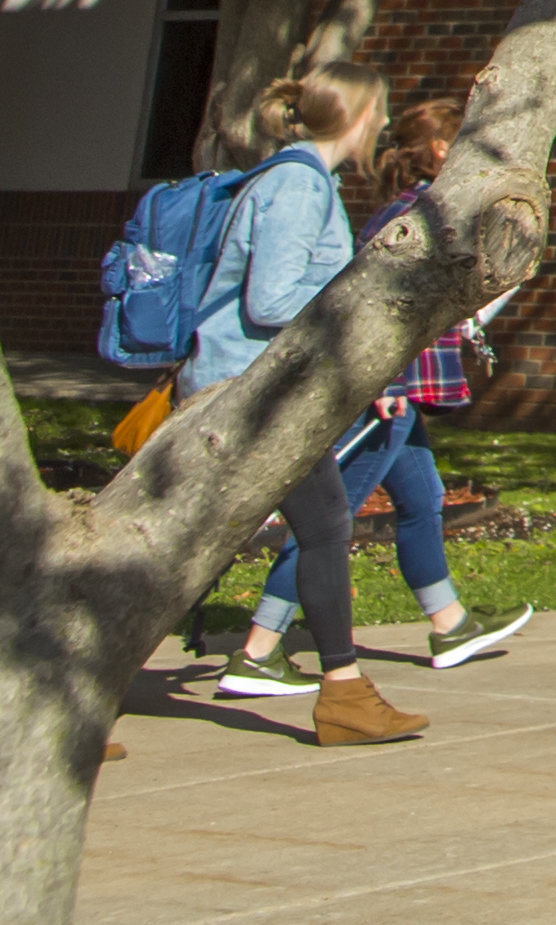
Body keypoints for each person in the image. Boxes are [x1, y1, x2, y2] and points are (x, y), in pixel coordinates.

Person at [229, 97, 531, 686]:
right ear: (445, 151)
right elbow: (377, 310)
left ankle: (451, 624)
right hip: (388, 387)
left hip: (399, 386)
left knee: (422, 500)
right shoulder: (415, 218)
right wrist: (383, 380)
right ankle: (259, 649)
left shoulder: (413, 211)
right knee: (328, 522)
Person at [178, 71, 428, 746]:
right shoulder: (295, 185)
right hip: (245, 395)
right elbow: (270, 300)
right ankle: (343, 693)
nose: (384, 122)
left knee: (309, 527)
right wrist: (357, 311)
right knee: (298, 530)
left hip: (263, 391)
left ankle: (344, 692)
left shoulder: (307, 181)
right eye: (379, 108)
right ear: (358, 113)